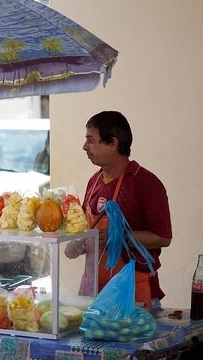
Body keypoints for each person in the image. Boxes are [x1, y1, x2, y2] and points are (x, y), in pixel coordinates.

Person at [65, 111, 172, 309]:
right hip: (92, 292)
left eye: (91, 140)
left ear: (113, 144)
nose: (84, 146)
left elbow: (163, 237)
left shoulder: (145, 183)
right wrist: (77, 244)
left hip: (132, 294)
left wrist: (121, 237)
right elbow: (85, 230)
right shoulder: (94, 181)